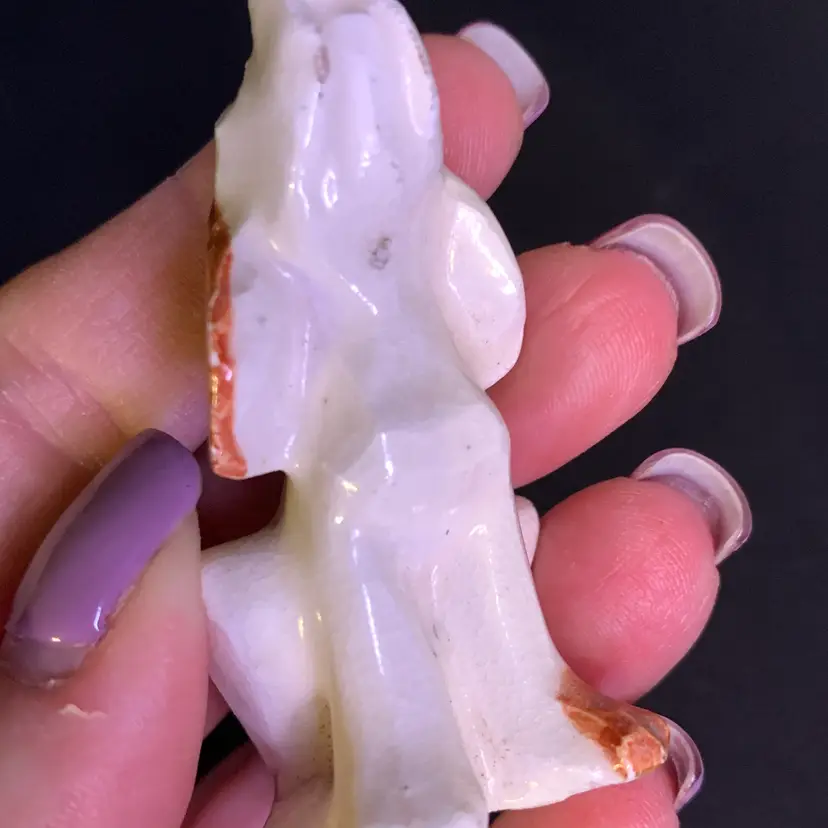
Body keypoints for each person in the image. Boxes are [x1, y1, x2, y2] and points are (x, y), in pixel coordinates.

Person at [0, 23, 749, 828]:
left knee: (483, 548)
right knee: (364, 565)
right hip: (357, 472)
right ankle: (399, 758)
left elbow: (492, 323)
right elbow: (259, 396)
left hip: (451, 433)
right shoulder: (276, 246)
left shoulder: (430, 213)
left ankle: (528, 714)